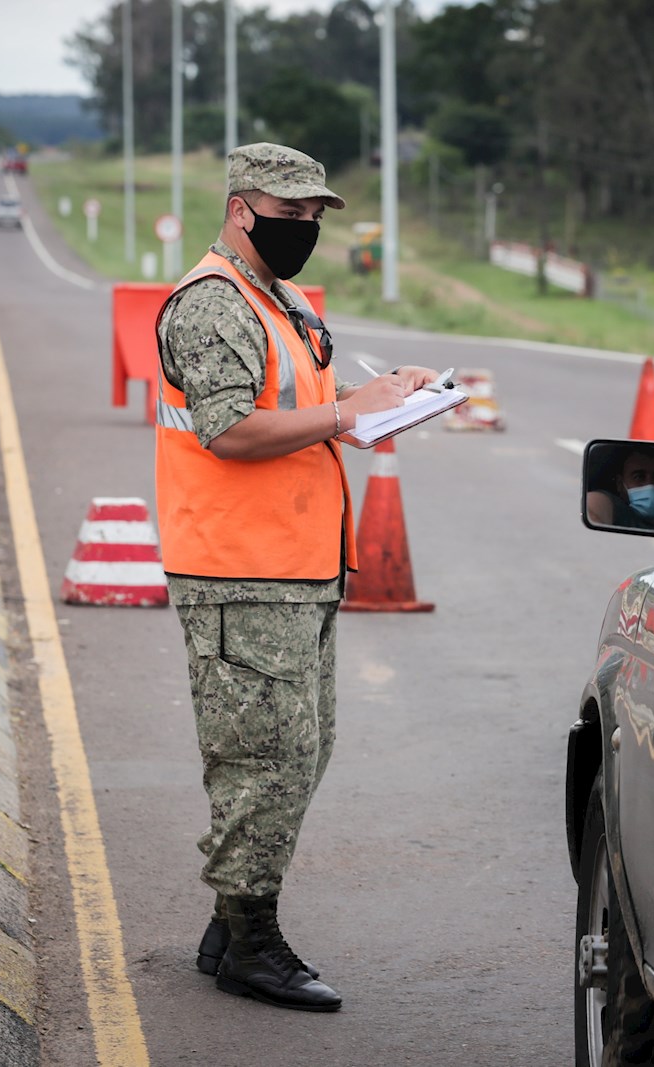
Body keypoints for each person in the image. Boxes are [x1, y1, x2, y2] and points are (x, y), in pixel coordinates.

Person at [155, 142, 440, 1012]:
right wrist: (348, 411)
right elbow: (231, 429)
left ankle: (227, 925)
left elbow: (310, 411)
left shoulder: (278, 299)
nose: (305, 230)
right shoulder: (210, 304)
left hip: (298, 566)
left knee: (301, 751)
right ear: (241, 209)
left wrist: (385, 394)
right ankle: (252, 941)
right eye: (289, 217)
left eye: (315, 216)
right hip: (239, 570)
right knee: (262, 760)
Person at [585, 446, 654, 531]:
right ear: (620, 484)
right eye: (639, 477)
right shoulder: (616, 510)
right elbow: (593, 506)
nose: (649, 485)